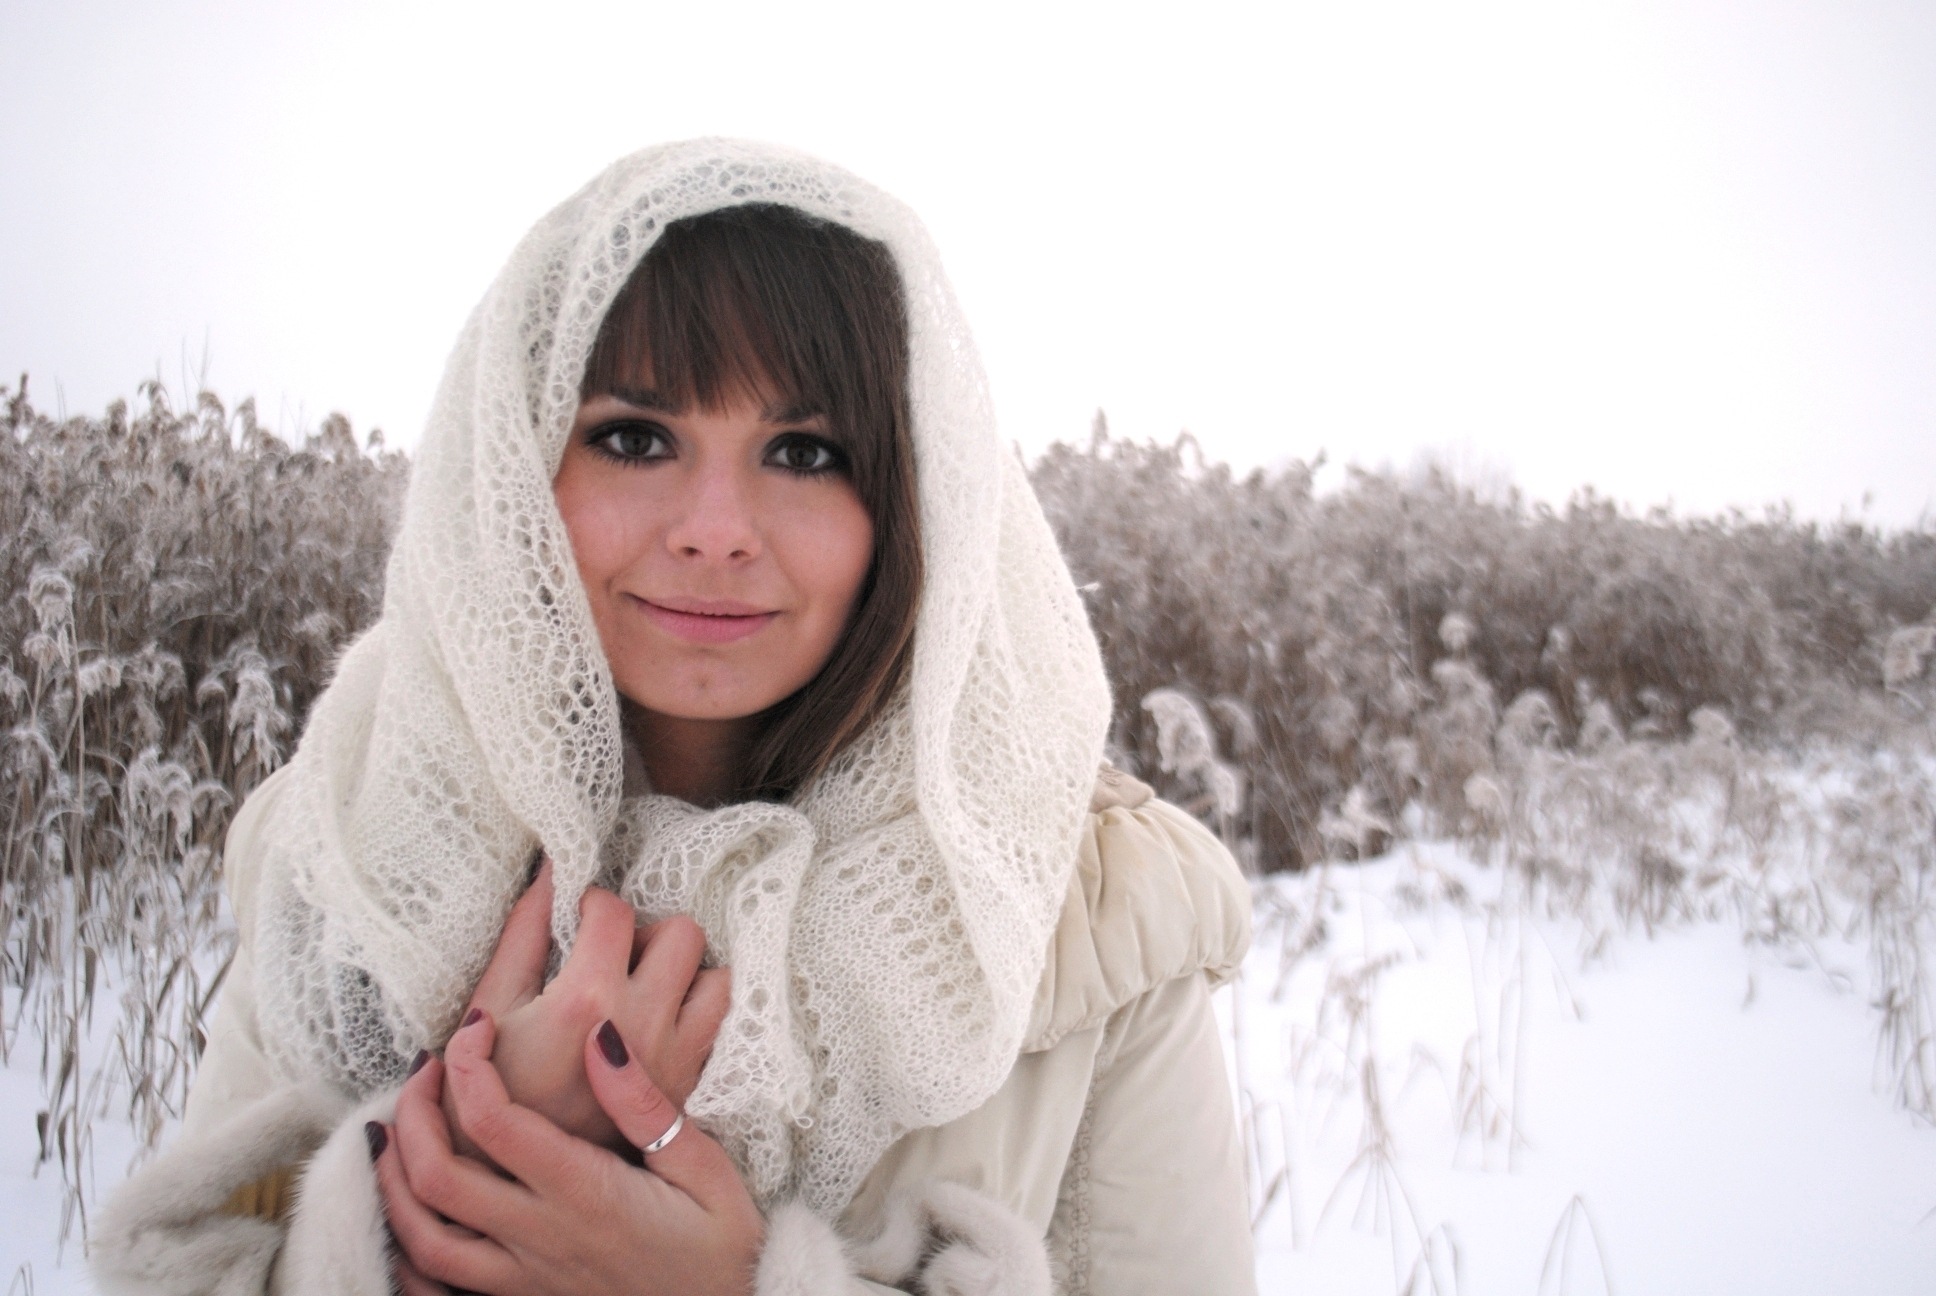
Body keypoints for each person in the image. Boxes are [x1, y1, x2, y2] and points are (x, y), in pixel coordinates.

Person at [92, 139, 1256, 1296]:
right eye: (634, 439)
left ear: (910, 502)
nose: (715, 531)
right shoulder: (360, 848)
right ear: (515, 466)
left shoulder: (1077, 904)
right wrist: (451, 1195)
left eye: (803, 452)